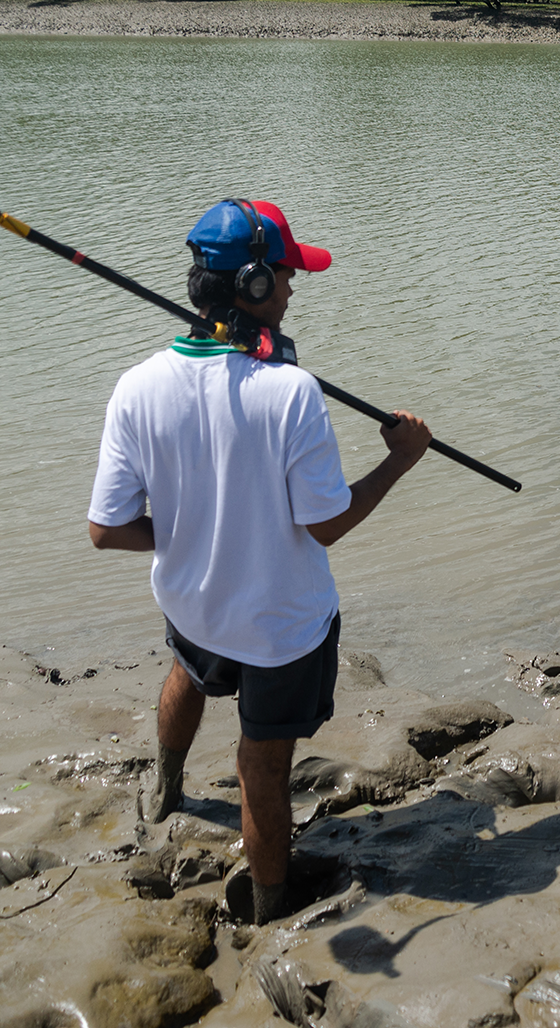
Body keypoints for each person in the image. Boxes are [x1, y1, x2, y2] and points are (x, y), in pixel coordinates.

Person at [87, 199, 432, 926]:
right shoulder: (292, 393)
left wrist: (190, 533)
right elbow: (327, 523)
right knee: (263, 770)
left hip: (192, 605)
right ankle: (272, 906)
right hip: (281, 629)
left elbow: (106, 529)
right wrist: (399, 461)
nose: (293, 288)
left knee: (186, 669)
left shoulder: (136, 385)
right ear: (249, 286)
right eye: (282, 276)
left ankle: (167, 787)